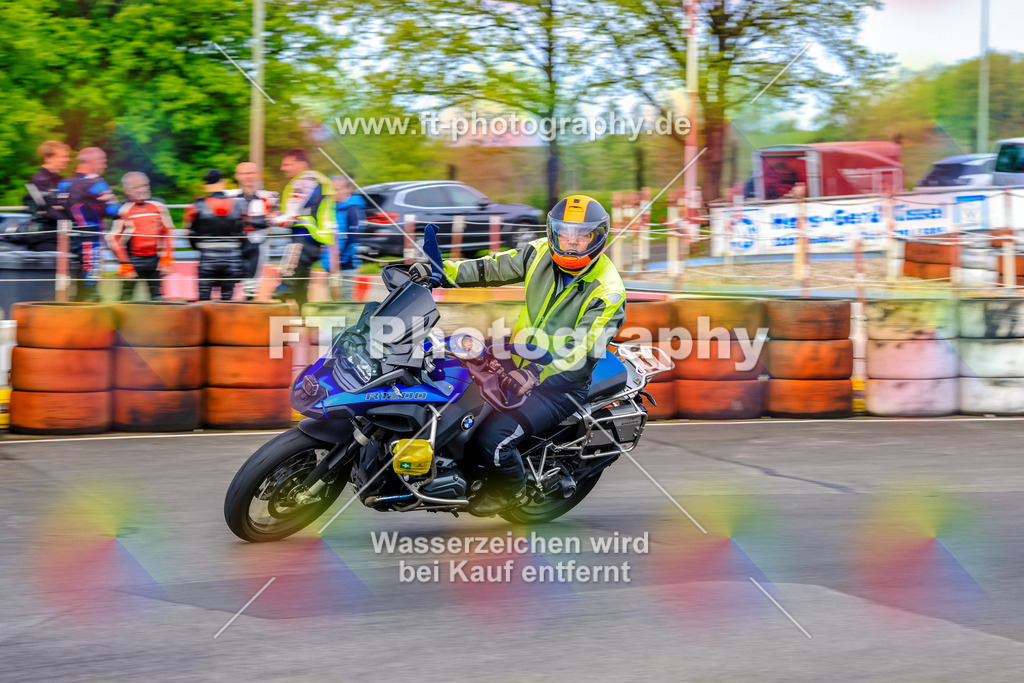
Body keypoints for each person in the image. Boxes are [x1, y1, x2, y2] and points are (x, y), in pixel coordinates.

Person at [411, 195, 626, 516]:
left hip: (561, 384)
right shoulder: (539, 252)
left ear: (597, 238)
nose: (571, 244)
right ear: (553, 233)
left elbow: (581, 349)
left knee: (492, 441)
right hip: (519, 354)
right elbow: (492, 267)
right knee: (450, 394)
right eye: (564, 234)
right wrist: (442, 272)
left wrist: (537, 375)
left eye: (582, 237)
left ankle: (509, 492)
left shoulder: (607, 291)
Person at [271, 148, 335, 307]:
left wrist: (272, 218)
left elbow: (293, 214)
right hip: (318, 237)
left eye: (287, 164)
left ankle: (282, 321)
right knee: (301, 288)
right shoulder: (320, 180)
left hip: (303, 236)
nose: (282, 168)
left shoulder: (303, 181)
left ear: (301, 163)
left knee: (286, 286)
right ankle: (303, 322)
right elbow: (309, 207)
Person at [58, 147, 120, 301]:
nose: (105, 165)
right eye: (103, 161)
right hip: (91, 242)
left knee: (71, 287)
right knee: (90, 288)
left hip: (67, 241)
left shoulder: (64, 184)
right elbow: (114, 210)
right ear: (93, 161)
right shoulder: (97, 183)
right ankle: (94, 322)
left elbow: (57, 210)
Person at [106, 172, 175, 301]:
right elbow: (113, 238)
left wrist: (167, 258)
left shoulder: (159, 205)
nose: (142, 189)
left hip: (154, 260)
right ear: (127, 190)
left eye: (145, 185)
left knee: (158, 298)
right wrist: (124, 263)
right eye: (137, 187)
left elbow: (168, 232)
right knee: (126, 298)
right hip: (133, 260)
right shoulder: (123, 209)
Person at [185, 169, 247, 301]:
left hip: (207, 259)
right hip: (232, 259)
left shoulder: (196, 205)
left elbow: (190, 234)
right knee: (227, 300)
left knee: (204, 299)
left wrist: (200, 248)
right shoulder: (239, 204)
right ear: (223, 182)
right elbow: (244, 233)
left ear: (206, 185)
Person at [230, 161, 277, 300]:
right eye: (244, 173)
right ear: (237, 176)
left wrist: (243, 220)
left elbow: (269, 221)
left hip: (257, 246)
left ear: (257, 175)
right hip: (235, 247)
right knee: (230, 288)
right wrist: (259, 220)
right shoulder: (229, 196)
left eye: (251, 173)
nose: (248, 176)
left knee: (251, 289)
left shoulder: (269, 196)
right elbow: (229, 222)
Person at [319, 175, 366, 300]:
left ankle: (351, 319)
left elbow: (353, 238)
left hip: (345, 264)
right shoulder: (329, 209)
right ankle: (338, 319)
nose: (333, 193)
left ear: (347, 189)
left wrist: (341, 259)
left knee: (345, 297)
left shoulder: (352, 209)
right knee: (334, 297)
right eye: (331, 190)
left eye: (336, 189)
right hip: (331, 262)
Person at [21, 140, 71, 251]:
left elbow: (62, 206)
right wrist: (69, 218)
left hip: (59, 234)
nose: (67, 159)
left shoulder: (61, 180)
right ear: (48, 158)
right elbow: (49, 210)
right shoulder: (38, 180)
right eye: (63, 156)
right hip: (44, 237)